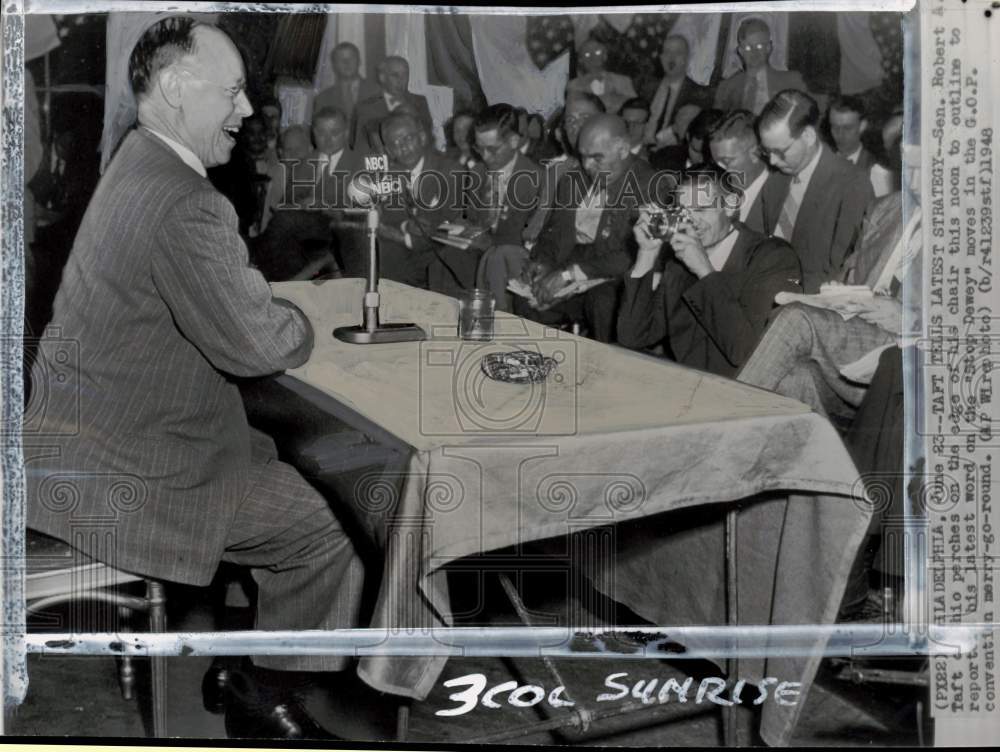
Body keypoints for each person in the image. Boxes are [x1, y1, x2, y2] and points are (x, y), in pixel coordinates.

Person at [23, 18, 363, 740]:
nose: (247, 111)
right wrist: (304, 319)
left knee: (284, 461)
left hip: (79, 442)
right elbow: (256, 343)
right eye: (234, 92)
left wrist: (250, 299)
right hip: (128, 469)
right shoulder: (186, 199)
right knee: (336, 523)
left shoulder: (136, 161)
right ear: (178, 89)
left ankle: (247, 671)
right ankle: (263, 697)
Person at [617, 165, 800, 376]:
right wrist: (646, 255)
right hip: (690, 387)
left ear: (730, 206)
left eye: (701, 210)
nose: (691, 222)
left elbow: (749, 353)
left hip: (746, 391)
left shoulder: (772, 257)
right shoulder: (679, 263)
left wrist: (704, 270)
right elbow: (632, 337)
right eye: (683, 213)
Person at [514, 114, 659, 343]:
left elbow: (628, 256)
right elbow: (553, 233)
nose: (587, 166)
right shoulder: (573, 181)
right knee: (527, 298)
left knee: (603, 302)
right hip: (572, 273)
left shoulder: (649, 186)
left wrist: (568, 274)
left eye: (597, 158)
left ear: (623, 150)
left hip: (615, 282)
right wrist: (543, 261)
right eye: (583, 156)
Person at [756, 89, 874, 293]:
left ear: (809, 136)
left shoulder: (852, 184)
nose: (773, 161)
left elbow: (843, 273)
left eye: (780, 151)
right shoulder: (775, 183)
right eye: (767, 151)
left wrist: (779, 290)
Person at [428, 104, 543, 299]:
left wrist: (487, 242)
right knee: (441, 261)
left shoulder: (536, 178)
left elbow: (531, 239)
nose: (485, 157)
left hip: (513, 257)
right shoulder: (478, 172)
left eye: (492, 149)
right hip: (480, 250)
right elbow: (474, 219)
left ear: (514, 141)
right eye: (479, 148)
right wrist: (460, 229)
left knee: (493, 262)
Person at [374, 112, 465, 288]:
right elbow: (391, 215)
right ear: (388, 151)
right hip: (406, 252)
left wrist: (402, 236)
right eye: (396, 143)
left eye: (408, 138)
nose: (404, 147)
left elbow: (443, 223)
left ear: (422, 137)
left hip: (440, 251)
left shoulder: (449, 169)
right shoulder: (390, 174)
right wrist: (406, 226)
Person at [251, 125, 340, 281]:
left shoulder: (324, 169)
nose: (294, 156)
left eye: (299, 149)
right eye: (288, 151)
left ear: (310, 149)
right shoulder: (278, 174)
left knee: (284, 220)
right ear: (281, 153)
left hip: (324, 229)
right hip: (289, 243)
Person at [713, 17, 808, 115]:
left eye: (759, 46)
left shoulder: (791, 82)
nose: (754, 53)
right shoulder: (727, 87)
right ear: (740, 51)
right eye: (748, 47)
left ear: (768, 48)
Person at [708, 109, 778, 233]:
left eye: (727, 161)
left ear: (754, 154)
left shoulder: (779, 200)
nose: (719, 171)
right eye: (716, 162)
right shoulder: (715, 195)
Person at [643, 35, 714, 149]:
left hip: (673, 153)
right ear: (661, 58)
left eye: (678, 53)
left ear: (687, 58)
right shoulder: (646, 88)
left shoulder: (700, 95)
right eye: (667, 52)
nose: (671, 58)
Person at [352, 56, 433, 151]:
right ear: (382, 78)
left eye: (405, 74)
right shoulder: (366, 108)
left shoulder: (420, 102)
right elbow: (360, 147)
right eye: (395, 75)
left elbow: (429, 140)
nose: (401, 80)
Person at [311, 41, 380, 127]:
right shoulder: (323, 98)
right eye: (340, 59)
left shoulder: (377, 92)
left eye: (351, 58)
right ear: (334, 65)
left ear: (359, 61)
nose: (346, 63)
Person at [566, 38, 637, 115]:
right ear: (581, 60)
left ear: (605, 56)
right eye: (587, 54)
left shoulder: (623, 81)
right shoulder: (574, 86)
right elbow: (571, 112)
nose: (592, 58)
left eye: (597, 52)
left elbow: (636, 109)